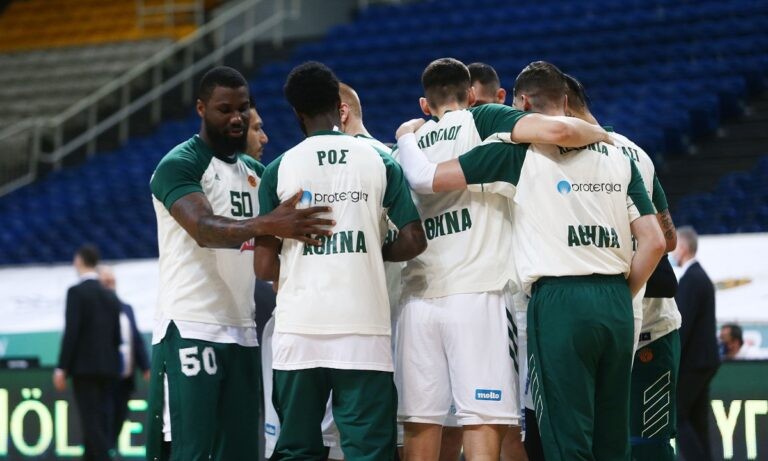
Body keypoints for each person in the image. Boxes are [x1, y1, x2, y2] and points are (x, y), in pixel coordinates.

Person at [395, 60, 666, 461]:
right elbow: (656, 241)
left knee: (564, 436)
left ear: (522, 103)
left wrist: (405, 136)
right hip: (615, 300)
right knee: (611, 438)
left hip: (554, 299)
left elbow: (426, 178)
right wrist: (619, 293)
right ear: (566, 101)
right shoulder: (620, 154)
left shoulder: (514, 154)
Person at [145, 65, 334, 461]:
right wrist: (268, 223)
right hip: (192, 328)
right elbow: (203, 228)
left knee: (242, 451)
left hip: (243, 331)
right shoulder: (179, 163)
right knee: (190, 452)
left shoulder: (257, 174)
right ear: (201, 109)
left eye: (243, 108)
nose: (236, 118)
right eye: (225, 109)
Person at [254, 61, 426, 461]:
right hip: (363, 329)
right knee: (369, 451)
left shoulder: (278, 169)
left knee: (297, 450)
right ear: (338, 104)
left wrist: (299, 263)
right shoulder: (379, 160)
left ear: (297, 112)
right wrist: (372, 253)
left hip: (299, 330)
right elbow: (415, 240)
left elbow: (263, 268)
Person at [563, 73, 682, 461]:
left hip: (647, 326)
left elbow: (662, 242)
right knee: (622, 441)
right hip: (614, 320)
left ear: (563, 106)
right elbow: (669, 236)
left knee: (644, 443)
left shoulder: (568, 159)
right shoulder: (635, 151)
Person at [54, 245, 121, 461]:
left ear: (79, 260)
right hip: (109, 367)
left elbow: (72, 332)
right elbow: (117, 336)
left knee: (91, 422)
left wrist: (62, 367)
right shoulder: (110, 295)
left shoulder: (76, 292)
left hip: (84, 369)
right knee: (100, 419)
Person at [673, 226, 721, 461]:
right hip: (704, 360)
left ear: (683, 247)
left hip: (693, 362)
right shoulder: (701, 276)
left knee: (676, 416)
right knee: (696, 420)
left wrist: (673, 357)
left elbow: (683, 324)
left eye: (675, 247)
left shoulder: (691, 279)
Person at [98, 265, 151, 449]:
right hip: (103, 378)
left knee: (119, 419)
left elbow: (135, 339)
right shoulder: (95, 310)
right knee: (103, 423)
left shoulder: (126, 308)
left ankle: (109, 451)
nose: (109, 285)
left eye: (112, 281)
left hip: (124, 378)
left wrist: (146, 367)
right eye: (105, 282)